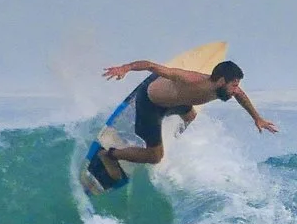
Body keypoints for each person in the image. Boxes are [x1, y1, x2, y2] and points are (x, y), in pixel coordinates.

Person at [96, 56, 277, 169]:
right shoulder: (190, 80)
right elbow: (150, 65)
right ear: (222, 81)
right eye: (234, 85)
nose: (236, 89)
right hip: (151, 103)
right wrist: (125, 68)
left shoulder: (225, 89)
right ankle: (109, 155)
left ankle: (161, 138)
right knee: (155, 157)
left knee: (190, 116)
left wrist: (257, 118)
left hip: (178, 102)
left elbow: (241, 95)